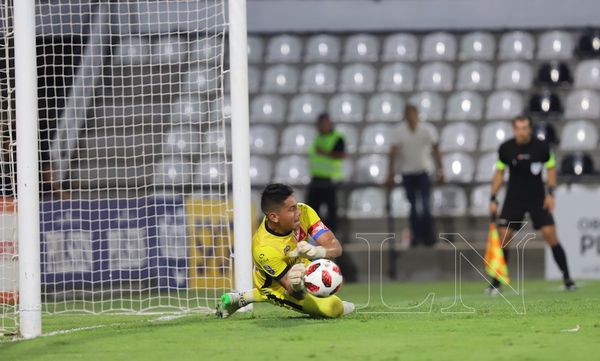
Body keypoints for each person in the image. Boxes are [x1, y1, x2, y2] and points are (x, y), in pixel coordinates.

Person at [216, 183, 355, 318]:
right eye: (291, 209)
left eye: (296, 205)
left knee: (333, 280)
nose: (298, 212)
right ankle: (248, 297)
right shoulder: (264, 249)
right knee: (332, 308)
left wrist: (317, 252)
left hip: (300, 265)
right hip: (276, 285)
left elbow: (335, 248)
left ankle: (239, 298)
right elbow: (295, 293)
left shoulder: (304, 212)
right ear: (274, 217)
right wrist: (297, 284)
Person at [488, 115, 576, 294]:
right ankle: (496, 282)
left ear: (530, 129)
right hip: (514, 197)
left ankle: (568, 279)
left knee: (550, 233)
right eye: (518, 128)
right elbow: (499, 173)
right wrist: (493, 198)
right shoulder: (506, 148)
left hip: (537, 197)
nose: (521, 132)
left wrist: (550, 193)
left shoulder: (542, 147)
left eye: (524, 128)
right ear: (514, 130)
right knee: (503, 236)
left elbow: (551, 169)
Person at [386, 105, 444, 247]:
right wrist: (391, 173)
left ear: (417, 114)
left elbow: (436, 149)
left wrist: (441, 169)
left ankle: (428, 236)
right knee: (412, 206)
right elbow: (393, 153)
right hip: (407, 173)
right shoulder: (399, 132)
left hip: (424, 172)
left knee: (425, 205)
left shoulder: (427, 129)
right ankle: (416, 236)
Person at [306, 112, 346, 232]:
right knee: (312, 210)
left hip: (330, 180)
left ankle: (332, 235)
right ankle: (313, 235)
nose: (323, 126)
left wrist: (324, 153)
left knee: (331, 211)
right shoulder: (317, 138)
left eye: (325, 123)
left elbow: (341, 155)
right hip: (316, 179)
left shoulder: (337, 138)